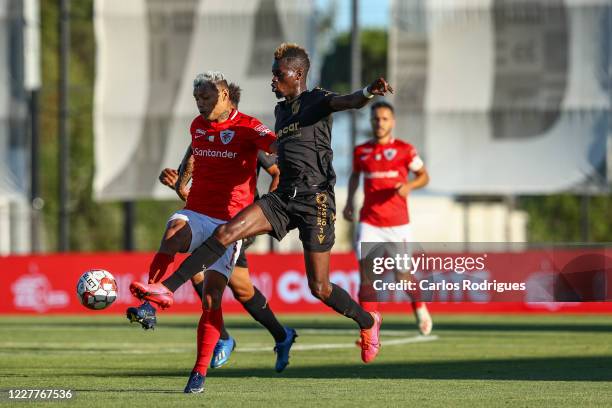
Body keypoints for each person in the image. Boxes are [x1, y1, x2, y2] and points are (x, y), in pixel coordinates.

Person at [130, 43, 393, 392]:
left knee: (320, 288)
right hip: (284, 198)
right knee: (225, 232)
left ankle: (366, 320)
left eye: (278, 74)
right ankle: (164, 291)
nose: (272, 80)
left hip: (316, 200)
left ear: (296, 74)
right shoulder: (280, 111)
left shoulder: (316, 99)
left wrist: (367, 93)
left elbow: (346, 101)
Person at [131, 71, 295, 393]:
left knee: (217, 293)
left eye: (206, 98)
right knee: (175, 237)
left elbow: (278, 156)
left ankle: (204, 367)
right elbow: (193, 169)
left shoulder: (248, 129)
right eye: (197, 99)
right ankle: (151, 303)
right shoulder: (198, 127)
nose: (200, 104)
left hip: (234, 224)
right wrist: (179, 183)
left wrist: (266, 212)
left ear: (224, 96)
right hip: (198, 213)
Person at [342, 101, 433, 337]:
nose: (379, 123)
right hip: (370, 222)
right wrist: (350, 202)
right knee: (367, 277)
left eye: (384, 119)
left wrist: (410, 186)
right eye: (376, 119)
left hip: (398, 224)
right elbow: (355, 176)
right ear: (371, 121)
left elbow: (424, 176)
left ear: (392, 122)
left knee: (402, 277)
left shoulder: (405, 150)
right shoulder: (361, 151)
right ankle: (369, 330)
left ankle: (419, 305)